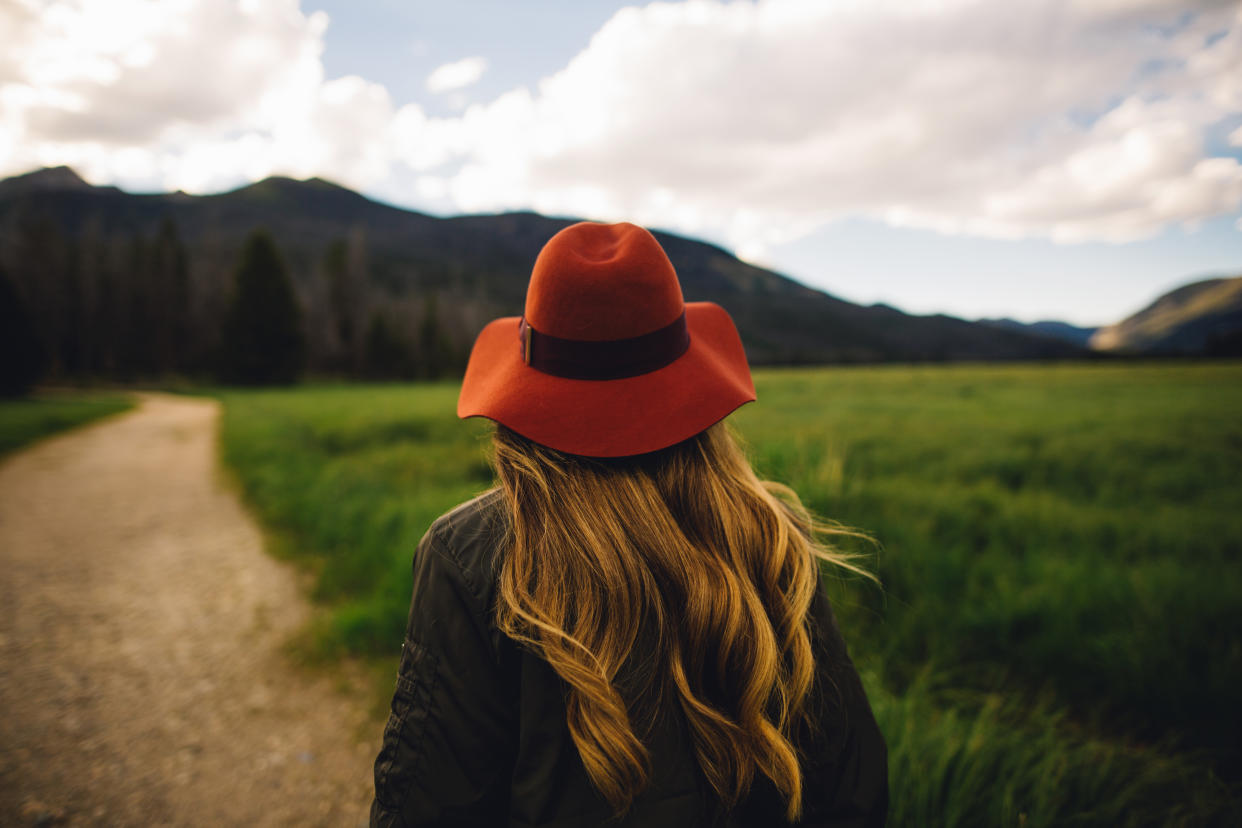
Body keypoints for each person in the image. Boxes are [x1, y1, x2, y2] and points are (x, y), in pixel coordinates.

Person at [370, 221, 888, 827]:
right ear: (688, 383)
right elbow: (853, 793)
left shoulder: (470, 553)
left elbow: (426, 808)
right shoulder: (774, 538)